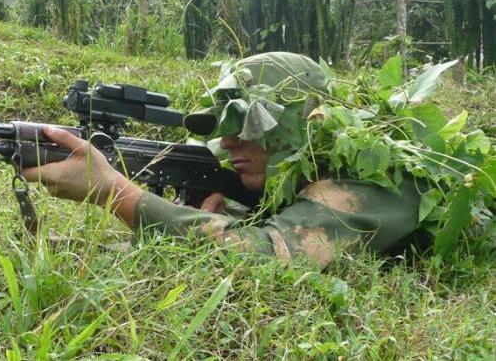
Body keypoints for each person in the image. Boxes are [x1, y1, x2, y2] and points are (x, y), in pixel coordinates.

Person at [23, 52, 425, 268]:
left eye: (246, 124)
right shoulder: (284, 178)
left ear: (300, 123)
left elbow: (268, 260)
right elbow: (226, 233)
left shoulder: (378, 181)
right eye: (223, 127)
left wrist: (114, 190)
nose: (229, 143)